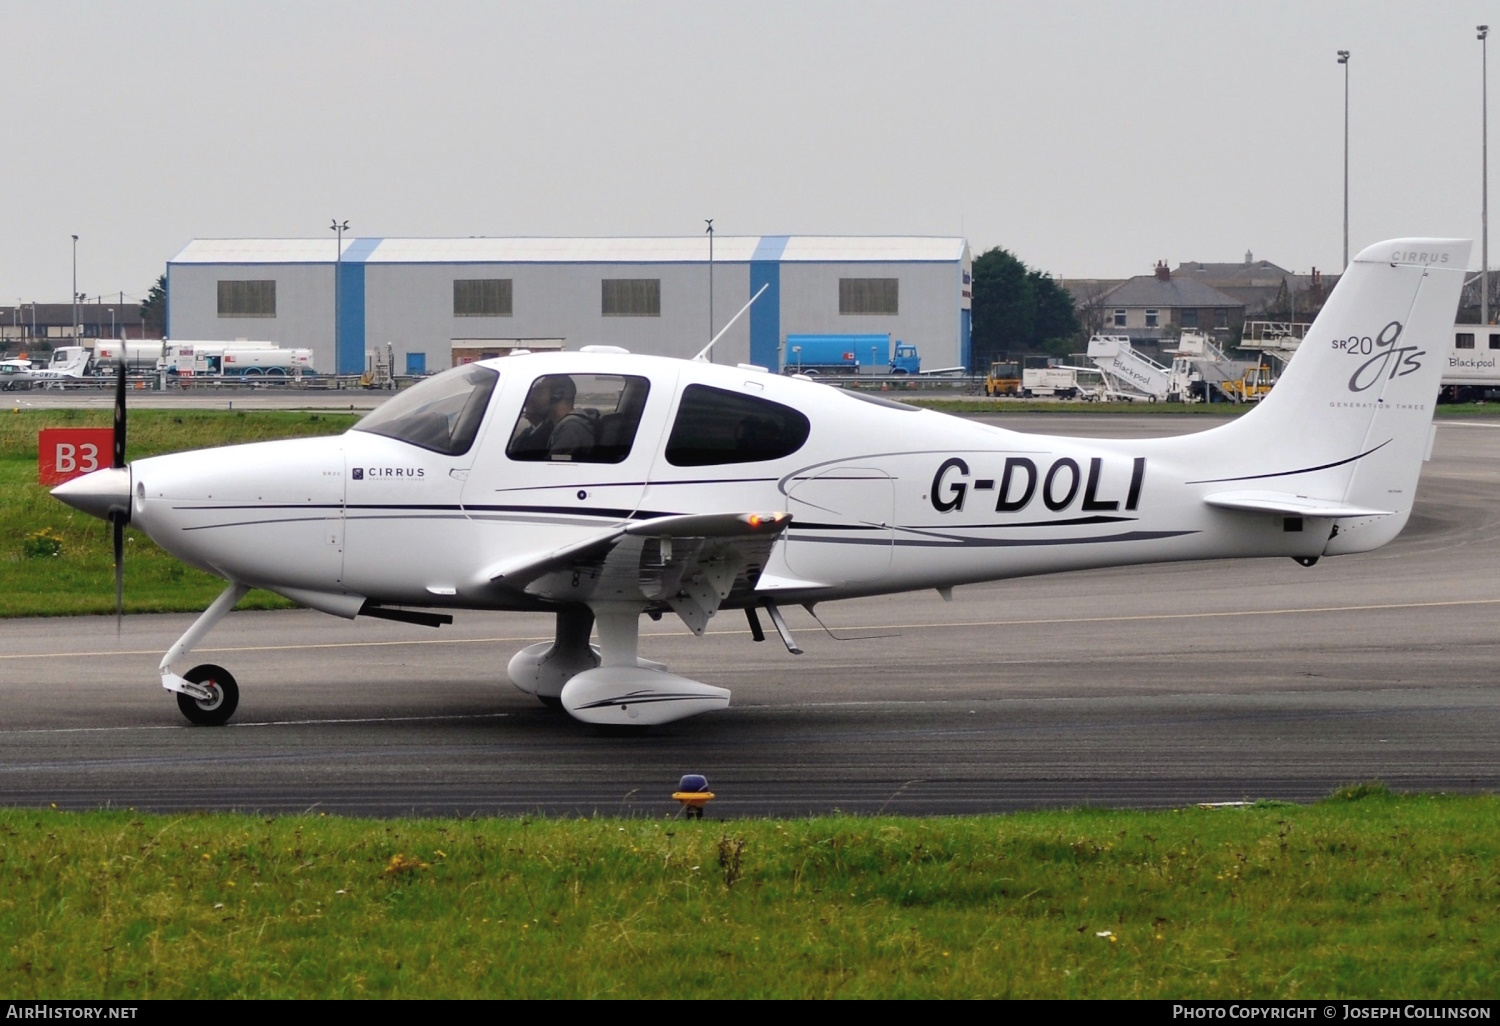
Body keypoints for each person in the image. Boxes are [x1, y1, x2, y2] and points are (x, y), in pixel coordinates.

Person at [511, 374, 596, 459]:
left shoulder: (572, 428)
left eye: (540, 391)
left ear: (557, 395)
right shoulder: (563, 425)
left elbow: (555, 464)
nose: (533, 397)